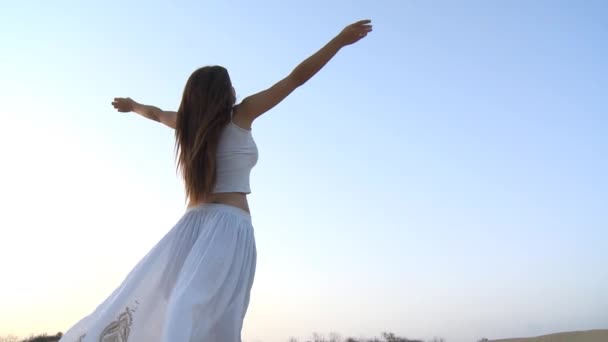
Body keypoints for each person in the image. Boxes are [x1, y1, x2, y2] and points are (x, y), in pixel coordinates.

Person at [59, 19, 372, 342]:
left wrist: (132, 105)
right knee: (177, 302)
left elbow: (154, 113)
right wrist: (337, 41)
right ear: (223, 93)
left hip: (206, 227)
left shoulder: (205, 121)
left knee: (188, 304)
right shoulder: (230, 117)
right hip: (214, 225)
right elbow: (294, 79)